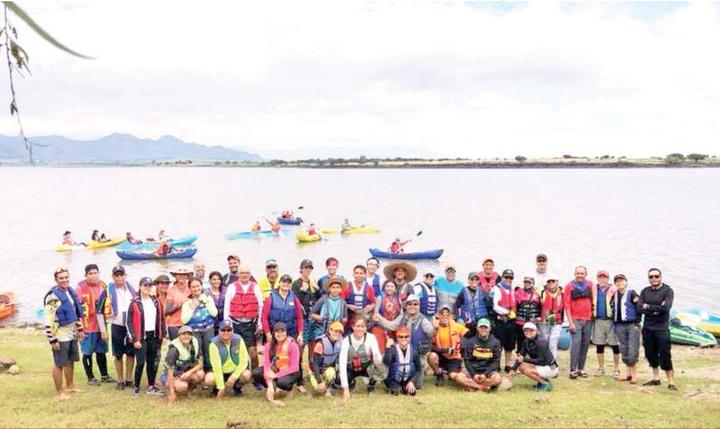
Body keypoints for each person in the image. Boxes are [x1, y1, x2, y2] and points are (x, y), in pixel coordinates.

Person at [373, 294, 434, 388]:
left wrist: (436, 328)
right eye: (410, 304)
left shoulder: (424, 320)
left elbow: (431, 333)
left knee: (417, 385)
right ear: (406, 306)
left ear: (419, 306)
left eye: (415, 304)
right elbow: (392, 325)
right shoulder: (402, 317)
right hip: (402, 352)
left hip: (417, 355)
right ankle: (387, 377)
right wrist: (380, 319)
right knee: (390, 358)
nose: (412, 306)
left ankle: (414, 376)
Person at [44, 267, 85, 400]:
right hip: (60, 332)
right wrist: (52, 339)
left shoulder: (70, 292)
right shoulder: (53, 296)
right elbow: (48, 319)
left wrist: (80, 329)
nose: (64, 280)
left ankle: (70, 386)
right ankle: (59, 392)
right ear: (56, 280)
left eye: (66, 277)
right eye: (61, 278)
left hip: (71, 331)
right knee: (59, 363)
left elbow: (75, 313)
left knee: (70, 360)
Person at [97, 265, 137, 390]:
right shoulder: (107, 291)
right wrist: (103, 330)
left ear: (125, 275)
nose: (119, 277)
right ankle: (120, 380)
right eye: (116, 275)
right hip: (117, 325)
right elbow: (99, 311)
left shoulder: (131, 289)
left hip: (130, 326)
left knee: (131, 354)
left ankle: (129, 379)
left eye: (121, 274)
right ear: (113, 277)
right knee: (118, 355)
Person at [75, 264, 114, 385]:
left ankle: (104, 375)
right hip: (87, 325)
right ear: (86, 275)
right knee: (87, 352)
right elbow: (76, 308)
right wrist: (79, 328)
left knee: (101, 351)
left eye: (95, 273)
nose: (93, 276)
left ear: (99, 273)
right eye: (90, 273)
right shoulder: (80, 287)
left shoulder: (103, 285)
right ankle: (90, 377)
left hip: (101, 324)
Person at [427, 305, 482, 390]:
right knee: (431, 356)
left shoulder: (456, 326)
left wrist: (470, 324)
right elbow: (430, 346)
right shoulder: (434, 328)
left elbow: (470, 334)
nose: (445, 317)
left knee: (453, 375)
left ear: (451, 316)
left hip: (454, 357)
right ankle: (439, 375)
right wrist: (445, 350)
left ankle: (474, 384)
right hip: (440, 355)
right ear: (438, 316)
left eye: (447, 315)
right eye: (442, 314)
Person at [126, 277, 165, 397]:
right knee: (141, 362)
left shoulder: (155, 301)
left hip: (153, 335)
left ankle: (151, 386)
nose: (147, 288)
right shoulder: (134, 302)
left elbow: (161, 319)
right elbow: (129, 322)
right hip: (140, 336)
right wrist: (134, 339)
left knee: (152, 362)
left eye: (149, 286)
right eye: (145, 285)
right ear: (140, 287)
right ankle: (136, 387)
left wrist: (162, 334)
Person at [638, 268, 676, 390]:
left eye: (656, 276)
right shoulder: (645, 291)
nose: (654, 279)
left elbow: (666, 308)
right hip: (648, 327)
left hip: (661, 328)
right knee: (650, 353)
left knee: (665, 353)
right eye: (651, 277)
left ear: (660, 277)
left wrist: (648, 306)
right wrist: (656, 308)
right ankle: (656, 378)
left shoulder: (668, 291)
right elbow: (639, 308)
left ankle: (671, 382)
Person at [252, 322, 302, 406]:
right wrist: (270, 385)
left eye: (282, 331)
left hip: (291, 372)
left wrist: (276, 375)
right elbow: (267, 368)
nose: (280, 334)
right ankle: (271, 388)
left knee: (282, 382)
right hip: (275, 370)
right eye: (277, 332)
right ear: (273, 333)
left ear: (286, 332)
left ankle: (289, 389)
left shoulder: (293, 345)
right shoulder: (268, 346)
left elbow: (295, 367)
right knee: (256, 373)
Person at [223, 265, 264, 368]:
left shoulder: (255, 287)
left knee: (253, 353)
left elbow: (261, 307)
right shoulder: (232, 287)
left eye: (247, 273)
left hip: (250, 324)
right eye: (242, 273)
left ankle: (255, 375)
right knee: (236, 351)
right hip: (235, 324)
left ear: (250, 274)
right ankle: (241, 372)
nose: (244, 275)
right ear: (238, 275)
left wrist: (260, 323)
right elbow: (226, 306)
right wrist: (227, 324)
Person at [339, 318, 387, 401]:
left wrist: (377, 359)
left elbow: (377, 353)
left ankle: (371, 386)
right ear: (353, 327)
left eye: (362, 326)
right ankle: (351, 383)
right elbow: (342, 364)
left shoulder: (371, 337)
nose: (360, 329)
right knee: (338, 378)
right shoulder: (346, 341)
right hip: (351, 368)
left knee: (380, 369)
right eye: (357, 326)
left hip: (365, 366)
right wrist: (345, 389)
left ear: (366, 328)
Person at [203, 320, 251, 399]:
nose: (226, 332)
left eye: (229, 330)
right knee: (209, 379)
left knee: (247, 374)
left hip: (234, 370)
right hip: (220, 371)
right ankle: (216, 388)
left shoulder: (239, 340)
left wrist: (234, 376)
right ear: (219, 331)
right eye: (223, 330)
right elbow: (216, 367)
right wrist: (221, 387)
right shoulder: (213, 344)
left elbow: (244, 361)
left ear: (233, 330)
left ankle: (237, 387)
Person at [292, 259, 322, 379]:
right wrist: (302, 291)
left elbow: (320, 298)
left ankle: (311, 370)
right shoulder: (296, 283)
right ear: (301, 269)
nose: (308, 270)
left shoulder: (313, 282)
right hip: (303, 319)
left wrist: (318, 290)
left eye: (310, 268)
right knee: (301, 346)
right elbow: (294, 300)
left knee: (313, 345)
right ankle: (298, 373)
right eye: (306, 268)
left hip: (313, 318)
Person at [181, 277, 218, 372]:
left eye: (198, 286)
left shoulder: (208, 298)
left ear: (201, 286)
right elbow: (184, 320)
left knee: (209, 351)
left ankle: (209, 372)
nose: (196, 288)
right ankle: (198, 372)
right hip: (194, 331)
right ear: (190, 288)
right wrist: (192, 307)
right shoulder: (187, 303)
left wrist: (206, 301)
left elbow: (214, 313)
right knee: (197, 352)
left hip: (208, 330)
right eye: (193, 287)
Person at [563, 266, 594, 379]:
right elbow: (566, 305)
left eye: (582, 273)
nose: (580, 275)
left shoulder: (590, 285)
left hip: (588, 320)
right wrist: (570, 323)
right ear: (574, 274)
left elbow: (593, 300)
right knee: (576, 345)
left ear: (585, 274)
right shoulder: (569, 286)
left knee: (585, 345)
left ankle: (581, 369)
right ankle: (573, 369)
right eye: (578, 273)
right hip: (575, 319)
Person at [611, 274, 641, 384]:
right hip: (619, 325)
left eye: (621, 281)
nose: (619, 283)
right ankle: (628, 373)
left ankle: (634, 375)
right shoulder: (614, 295)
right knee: (624, 350)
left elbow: (639, 307)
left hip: (631, 324)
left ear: (626, 282)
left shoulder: (632, 293)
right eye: (617, 281)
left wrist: (637, 323)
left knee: (632, 350)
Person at [163, 326, 205, 404]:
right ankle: (172, 392)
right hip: (171, 375)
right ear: (179, 336)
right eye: (183, 334)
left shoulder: (195, 343)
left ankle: (188, 392)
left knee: (200, 374)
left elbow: (200, 364)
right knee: (182, 386)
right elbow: (169, 374)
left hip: (184, 372)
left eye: (189, 334)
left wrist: (189, 372)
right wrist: (172, 393)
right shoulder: (173, 350)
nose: (186, 336)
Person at [461, 318, 505, 392]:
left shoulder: (496, 343)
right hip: (474, 369)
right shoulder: (470, 342)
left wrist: (484, 374)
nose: (483, 329)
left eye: (486, 327)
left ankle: (473, 386)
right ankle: (483, 387)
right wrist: (474, 374)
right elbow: (467, 360)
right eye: (481, 327)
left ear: (490, 328)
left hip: (488, 371)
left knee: (497, 379)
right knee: (459, 377)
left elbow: (496, 362)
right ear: (477, 328)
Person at [261, 274, 304, 346]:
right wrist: (268, 334)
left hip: (291, 332)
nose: (286, 284)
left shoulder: (295, 299)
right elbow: (264, 318)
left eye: (288, 283)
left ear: (291, 285)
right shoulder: (270, 299)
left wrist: (300, 334)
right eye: (284, 282)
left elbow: (300, 318)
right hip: (275, 332)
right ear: (279, 283)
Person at [592, 270, 620, 377]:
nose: (602, 279)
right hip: (598, 320)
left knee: (615, 345)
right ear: (597, 278)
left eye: (604, 277)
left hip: (611, 321)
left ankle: (616, 369)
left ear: (608, 279)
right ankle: (601, 368)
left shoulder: (614, 289)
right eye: (600, 277)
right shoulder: (594, 289)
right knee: (600, 345)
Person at [515, 322, 558, 391]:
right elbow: (521, 356)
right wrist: (513, 369)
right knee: (522, 367)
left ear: (536, 331)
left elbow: (541, 360)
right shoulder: (526, 341)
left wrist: (525, 360)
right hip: (542, 365)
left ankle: (545, 384)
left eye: (531, 330)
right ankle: (542, 381)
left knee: (527, 370)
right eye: (526, 330)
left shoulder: (541, 342)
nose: (528, 332)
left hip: (552, 367)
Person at [489, 269, 517, 373]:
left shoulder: (512, 289)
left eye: (510, 278)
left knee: (509, 345)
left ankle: (508, 365)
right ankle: (496, 365)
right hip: (500, 321)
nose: (508, 279)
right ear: (502, 277)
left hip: (511, 321)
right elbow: (495, 306)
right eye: (506, 277)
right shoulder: (496, 289)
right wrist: (507, 312)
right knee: (498, 345)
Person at [383, 326, 422, 395]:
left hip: (407, 378)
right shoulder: (393, 350)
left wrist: (412, 381)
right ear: (397, 338)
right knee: (397, 391)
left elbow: (419, 369)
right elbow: (385, 363)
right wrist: (388, 348)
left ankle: (406, 386)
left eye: (406, 336)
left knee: (412, 391)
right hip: (393, 379)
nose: (403, 338)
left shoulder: (414, 351)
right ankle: (393, 388)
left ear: (409, 337)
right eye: (400, 337)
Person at [310, 321, 344, 396]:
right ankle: (320, 384)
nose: (337, 334)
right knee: (319, 390)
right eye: (335, 331)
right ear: (330, 330)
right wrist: (319, 380)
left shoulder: (341, 342)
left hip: (329, 370)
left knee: (331, 372)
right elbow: (314, 364)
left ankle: (329, 387)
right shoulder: (321, 343)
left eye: (340, 332)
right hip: (316, 370)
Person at [371, 280, 402, 353]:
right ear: (384, 287)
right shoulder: (380, 297)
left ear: (395, 288)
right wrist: (387, 324)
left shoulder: (398, 298)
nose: (390, 288)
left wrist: (394, 324)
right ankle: (380, 357)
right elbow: (376, 313)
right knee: (379, 342)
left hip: (394, 325)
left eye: (392, 286)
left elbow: (401, 314)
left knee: (402, 335)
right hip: (381, 325)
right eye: (387, 286)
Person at [342, 265, 376, 329]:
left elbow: (373, 302)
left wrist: (370, 307)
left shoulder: (369, 287)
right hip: (350, 316)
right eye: (356, 273)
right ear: (353, 274)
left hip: (363, 316)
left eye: (361, 273)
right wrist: (349, 306)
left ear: (365, 275)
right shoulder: (347, 286)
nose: (358, 275)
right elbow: (340, 301)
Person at [539, 274, 563, 362]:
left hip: (557, 322)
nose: (551, 283)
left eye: (553, 281)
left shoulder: (562, 293)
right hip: (544, 322)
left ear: (557, 282)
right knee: (544, 343)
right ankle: (544, 361)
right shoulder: (542, 292)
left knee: (553, 343)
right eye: (549, 281)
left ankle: (553, 363)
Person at [514, 275, 541, 353]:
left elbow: (540, 308)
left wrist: (539, 318)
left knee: (532, 341)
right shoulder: (517, 293)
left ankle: (531, 359)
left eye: (529, 282)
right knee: (520, 342)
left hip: (533, 323)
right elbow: (513, 306)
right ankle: (519, 358)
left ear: (533, 283)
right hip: (520, 323)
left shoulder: (537, 294)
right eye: (525, 282)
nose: (527, 284)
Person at [165, 267, 192, 340]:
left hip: (188, 323)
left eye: (184, 275)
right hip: (174, 324)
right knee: (175, 347)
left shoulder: (191, 288)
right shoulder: (171, 290)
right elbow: (167, 311)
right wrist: (180, 304)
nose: (182, 276)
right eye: (179, 275)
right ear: (176, 276)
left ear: (187, 276)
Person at [204, 271, 226, 335]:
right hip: (211, 323)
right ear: (210, 281)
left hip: (223, 322)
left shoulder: (226, 290)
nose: (216, 281)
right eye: (214, 279)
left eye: (218, 279)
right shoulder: (206, 293)